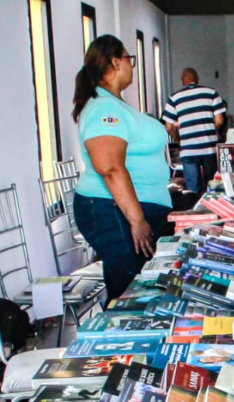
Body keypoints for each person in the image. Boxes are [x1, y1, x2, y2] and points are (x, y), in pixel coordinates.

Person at [72, 35, 171, 301]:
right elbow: (109, 167)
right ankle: (119, 341)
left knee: (139, 285)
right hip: (112, 209)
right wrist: (137, 219)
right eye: (130, 59)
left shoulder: (113, 104)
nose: (132, 66)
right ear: (115, 63)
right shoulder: (105, 108)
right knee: (132, 292)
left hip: (125, 207)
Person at [162, 68, 226, 194]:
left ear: (182, 81)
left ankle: (194, 210)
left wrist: (179, 140)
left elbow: (168, 127)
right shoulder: (211, 93)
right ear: (197, 79)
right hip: (209, 148)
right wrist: (209, 130)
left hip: (188, 150)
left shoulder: (174, 98)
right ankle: (212, 210)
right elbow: (219, 120)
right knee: (212, 186)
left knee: (192, 190)